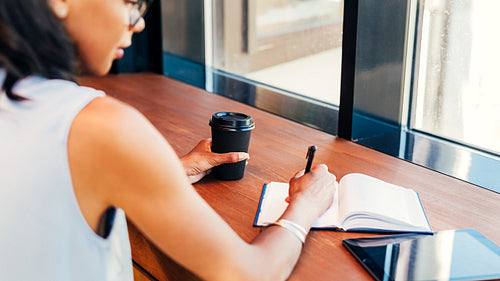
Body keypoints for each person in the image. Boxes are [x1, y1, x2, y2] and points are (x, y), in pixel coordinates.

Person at [0, 0, 337, 280]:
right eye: (131, 4)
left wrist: (165, 171)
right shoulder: (98, 125)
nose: (139, 24)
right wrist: (304, 206)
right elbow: (249, 274)